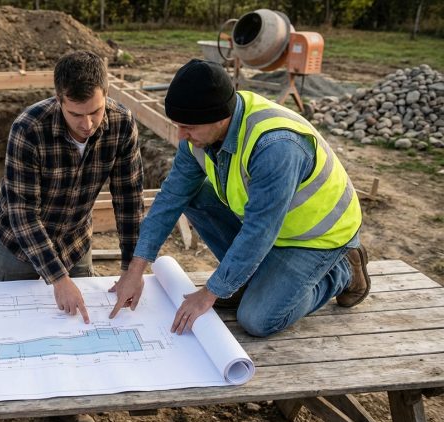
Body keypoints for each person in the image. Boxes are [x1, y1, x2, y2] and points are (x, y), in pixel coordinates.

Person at [109, 59, 371, 338]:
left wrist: (210, 292)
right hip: (272, 227)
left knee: (256, 319)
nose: (181, 135)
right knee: (192, 193)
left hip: (315, 238)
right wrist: (135, 270)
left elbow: (260, 232)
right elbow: (171, 197)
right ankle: (246, 280)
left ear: (220, 117)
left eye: (188, 127)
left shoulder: (275, 147)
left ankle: (340, 271)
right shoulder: (202, 133)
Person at [0, 50, 143, 422]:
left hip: (75, 239)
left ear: (106, 94)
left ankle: (66, 406)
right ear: (58, 99)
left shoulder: (122, 126)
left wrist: (133, 269)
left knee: (73, 328)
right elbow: (22, 211)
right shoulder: (28, 129)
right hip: (20, 243)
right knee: (10, 327)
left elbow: (129, 200)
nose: (88, 123)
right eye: (77, 114)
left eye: (96, 110)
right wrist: (59, 279)